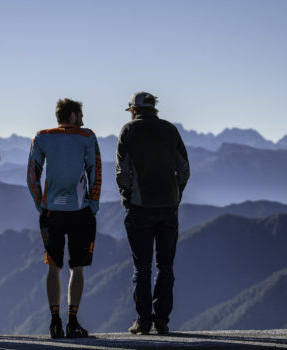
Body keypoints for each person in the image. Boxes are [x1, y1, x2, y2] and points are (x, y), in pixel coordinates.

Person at [27, 98, 102, 339]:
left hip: (51, 213)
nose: (83, 120)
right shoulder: (87, 136)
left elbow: (32, 174)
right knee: (77, 268)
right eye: (80, 116)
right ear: (72, 116)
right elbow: (95, 171)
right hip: (80, 212)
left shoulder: (41, 136)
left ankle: (54, 322)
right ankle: (72, 321)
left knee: (53, 267)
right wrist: (93, 204)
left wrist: (40, 204)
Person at [116, 91, 190, 335]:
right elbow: (184, 169)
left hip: (140, 208)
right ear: (153, 108)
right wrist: (176, 194)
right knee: (165, 266)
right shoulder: (170, 130)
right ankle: (163, 321)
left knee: (142, 267)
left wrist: (127, 197)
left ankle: (144, 321)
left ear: (134, 110)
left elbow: (122, 173)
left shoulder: (128, 131)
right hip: (169, 207)